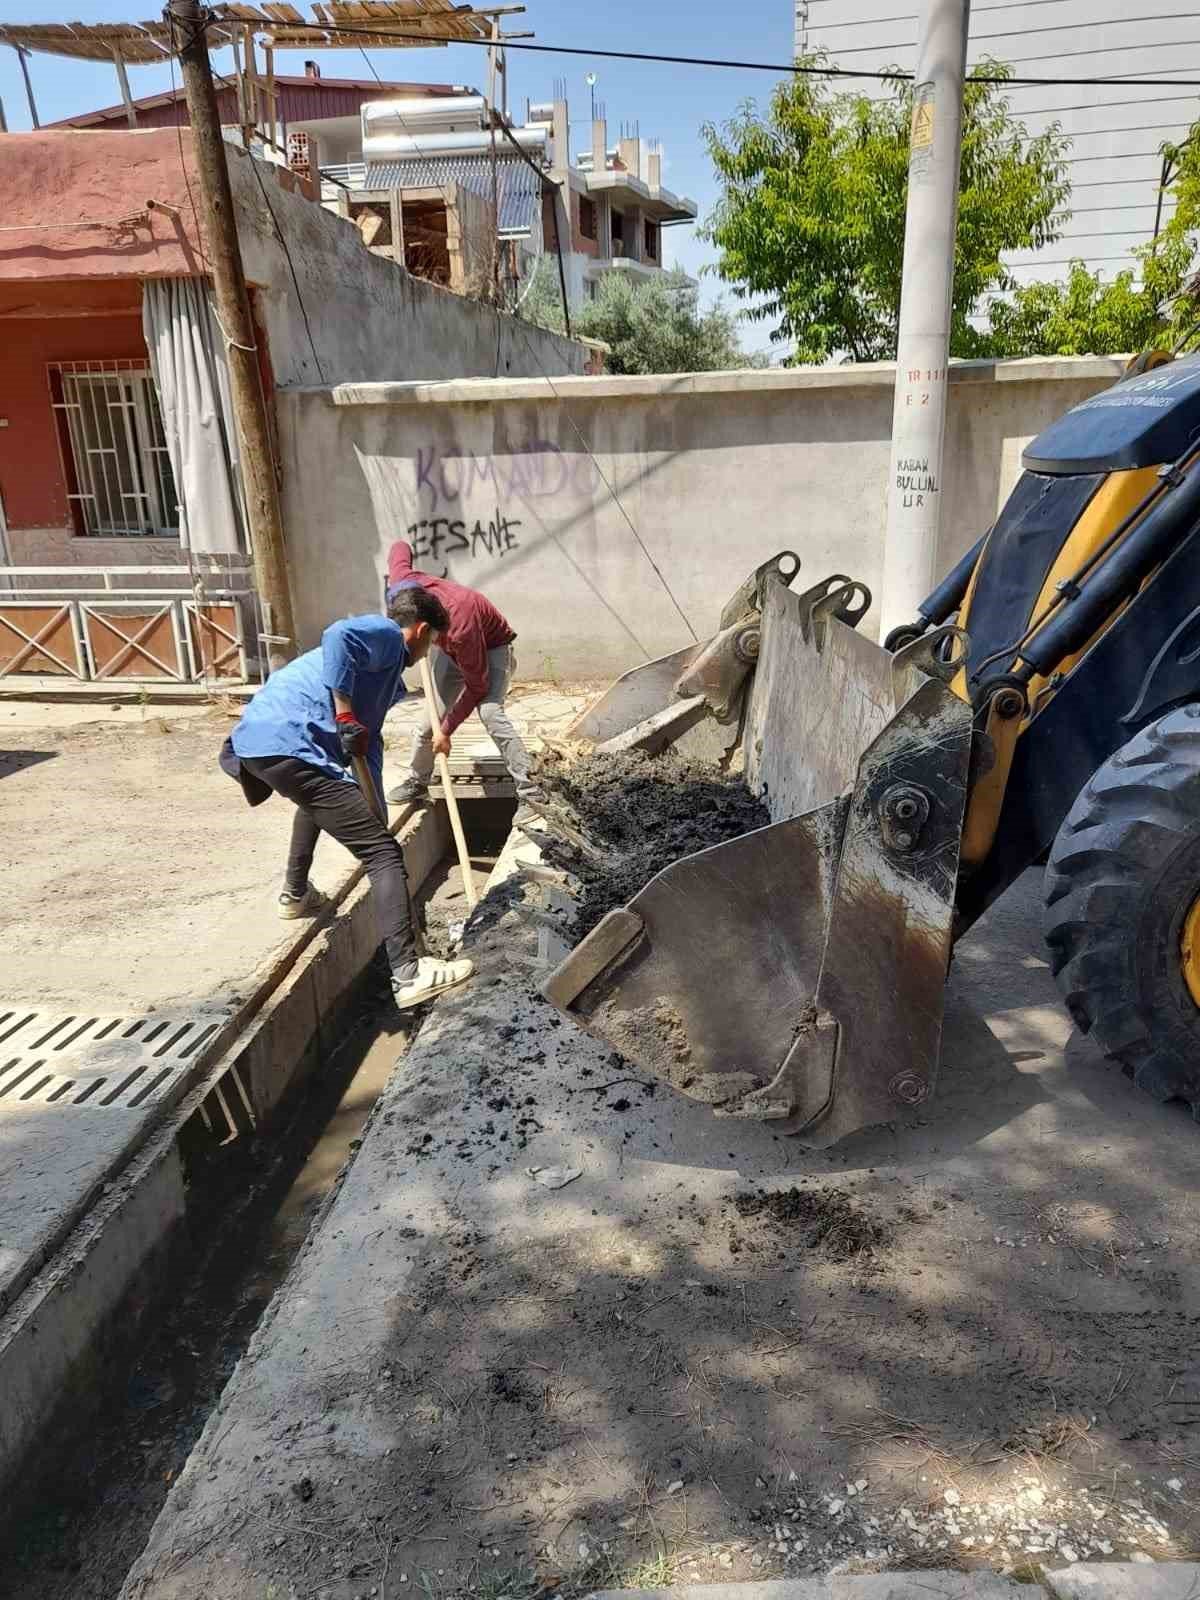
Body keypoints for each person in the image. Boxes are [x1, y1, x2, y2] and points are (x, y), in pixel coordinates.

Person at [218, 589, 474, 1011]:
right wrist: (342, 713)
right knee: (383, 855)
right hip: (289, 738)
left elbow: (364, 751)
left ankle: (295, 894)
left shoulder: (382, 680)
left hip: (262, 744)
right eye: (430, 644)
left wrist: (375, 813)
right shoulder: (388, 635)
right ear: (422, 631)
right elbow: (338, 635)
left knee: (322, 804)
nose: (427, 653)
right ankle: (409, 974)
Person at [384, 539, 538, 813]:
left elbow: (476, 686)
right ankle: (418, 781)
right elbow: (399, 547)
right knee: (427, 725)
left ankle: (531, 792)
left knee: (490, 712)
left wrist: (448, 731)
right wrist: (438, 728)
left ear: (425, 631)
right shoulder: (402, 589)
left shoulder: (461, 627)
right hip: (448, 646)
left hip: (491, 647)